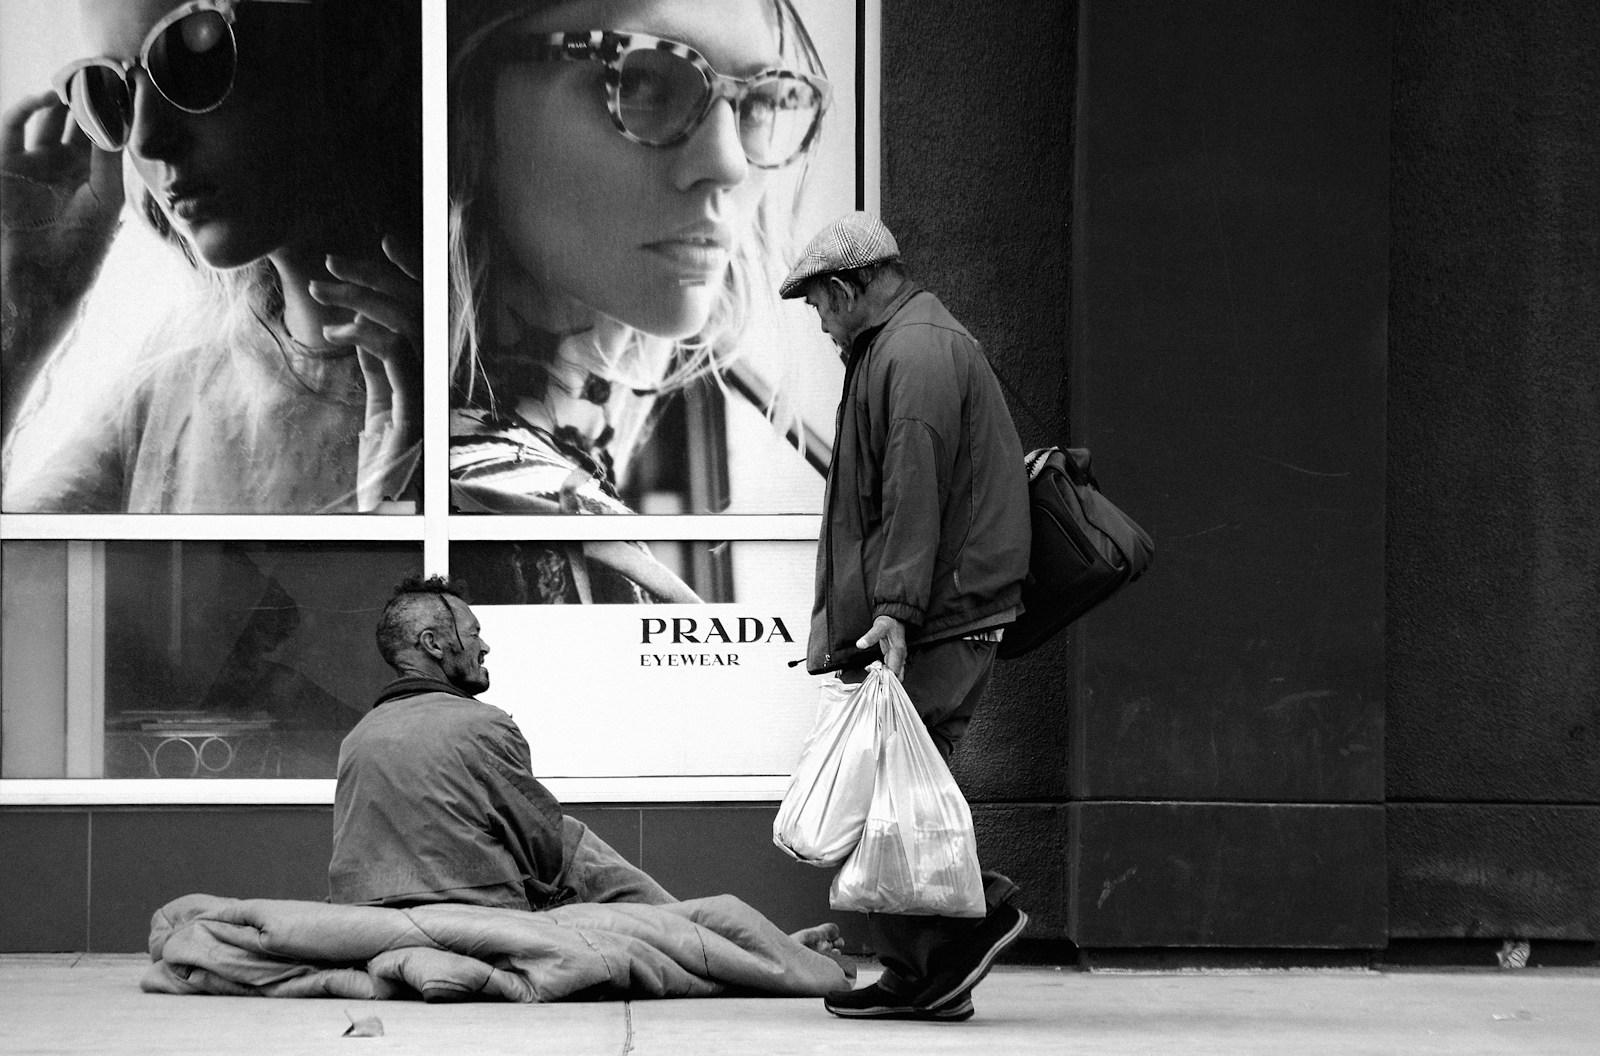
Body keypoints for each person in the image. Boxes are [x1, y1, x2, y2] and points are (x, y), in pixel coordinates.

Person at [445, 0, 833, 599]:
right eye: (641, 80)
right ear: (466, 100)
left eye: (761, 101)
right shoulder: (524, 526)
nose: (729, 164)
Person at [0, 0, 421, 513]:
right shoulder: (168, 390)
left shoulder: (487, 384)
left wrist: (404, 510)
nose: (146, 139)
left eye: (193, 58)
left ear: (362, 51)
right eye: (109, 93)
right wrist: (26, 308)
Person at [330, 573, 851, 973]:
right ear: (433, 644)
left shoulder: (358, 739)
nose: (485, 647)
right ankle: (743, 945)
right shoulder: (481, 725)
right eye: (474, 634)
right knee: (573, 842)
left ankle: (734, 940)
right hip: (481, 919)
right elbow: (545, 851)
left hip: (370, 921)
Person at [779, 211, 1033, 1021]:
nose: (820, 323)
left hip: (935, 616)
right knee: (894, 790)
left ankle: (969, 921)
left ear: (846, 288)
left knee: (887, 786)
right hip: (936, 611)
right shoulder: (896, 344)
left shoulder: (915, 351)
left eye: (819, 305)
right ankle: (926, 973)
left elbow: (912, 490)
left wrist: (894, 609)